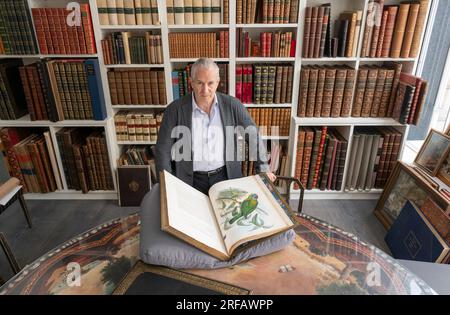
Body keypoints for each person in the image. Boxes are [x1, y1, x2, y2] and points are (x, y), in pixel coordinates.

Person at [155, 58, 276, 195]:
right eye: (200, 83)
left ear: (217, 83)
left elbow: (253, 135)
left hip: (226, 176)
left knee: (228, 215)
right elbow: (162, 150)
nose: (205, 90)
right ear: (191, 83)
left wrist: (264, 168)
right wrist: (167, 182)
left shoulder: (232, 105)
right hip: (190, 180)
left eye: (210, 83)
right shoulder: (174, 110)